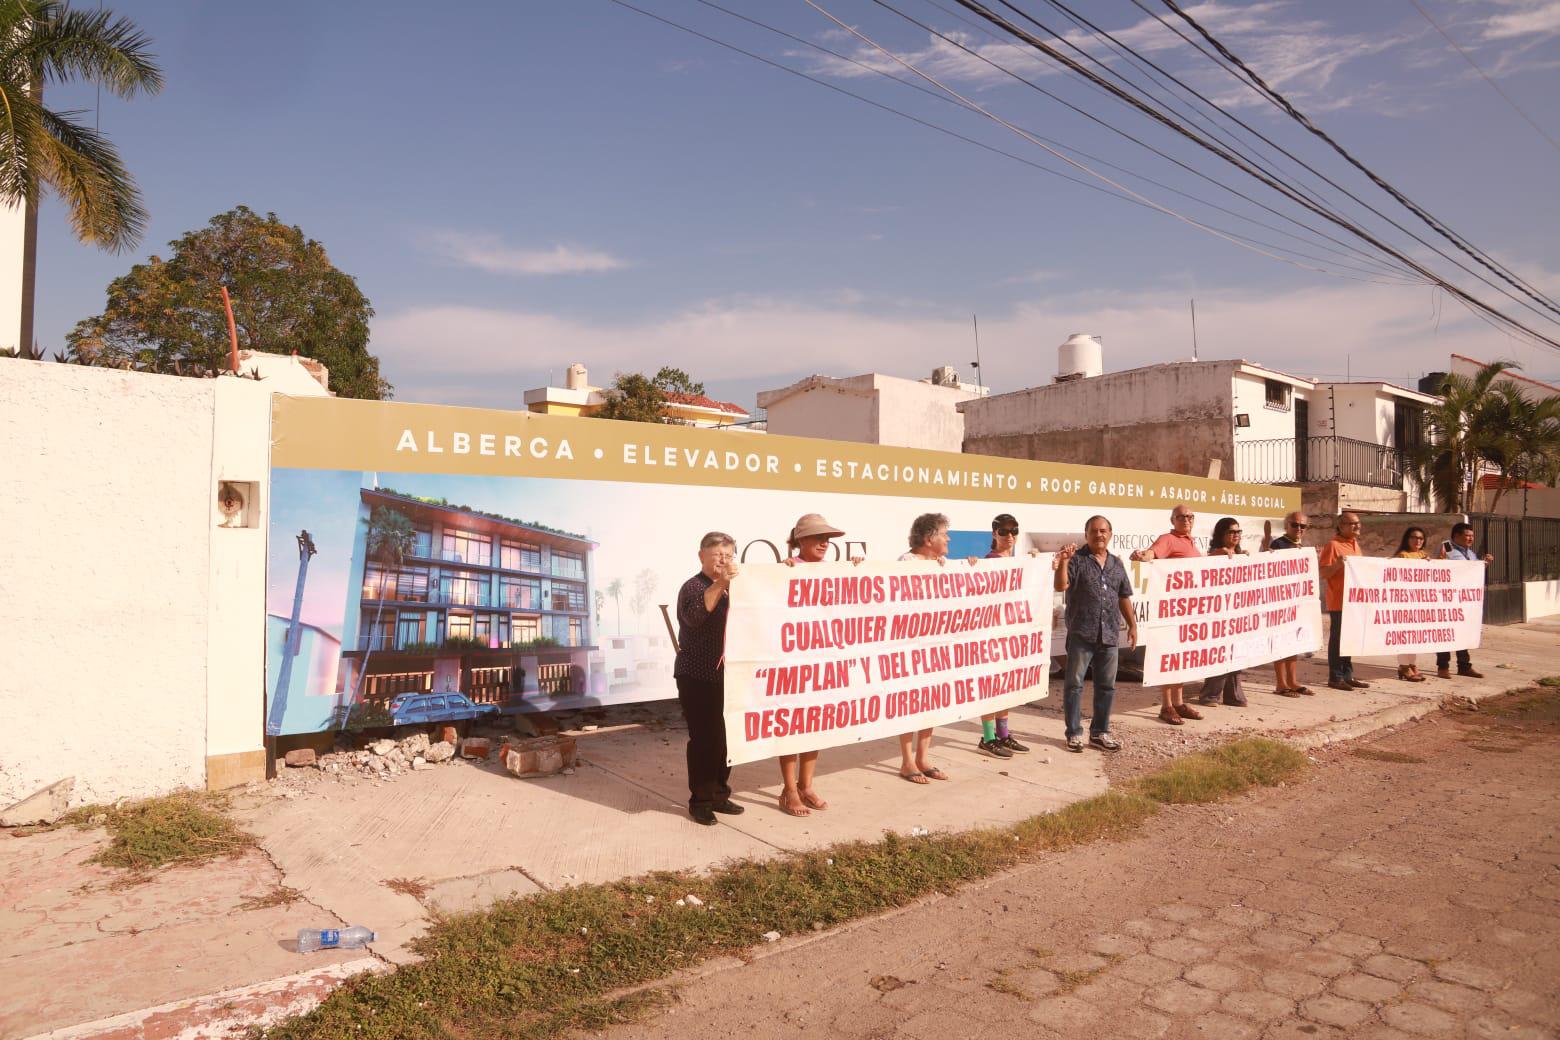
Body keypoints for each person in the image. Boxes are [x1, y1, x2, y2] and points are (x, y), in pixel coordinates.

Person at [776, 512, 858, 816]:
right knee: (792, 726)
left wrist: (857, 572)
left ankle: (806, 785)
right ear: (800, 540)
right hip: (793, 663)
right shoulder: (786, 570)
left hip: (822, 664)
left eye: (827, 538)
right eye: (818, 537)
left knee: (814, 725)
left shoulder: (833, 570)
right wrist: (780, 575)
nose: (824, 543)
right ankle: (788, 790)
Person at [673, 532, 746, 826]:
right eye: (716, 555)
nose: (723, 560)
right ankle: (700, 801)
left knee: (726, 741)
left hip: (729, 676)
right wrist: (722, 582)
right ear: (701, 556)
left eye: (728, 555)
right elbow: (695, 617)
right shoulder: (692, 587)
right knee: (705, 740)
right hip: (697, 676)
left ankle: (719, 794)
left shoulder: (737, 587)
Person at [895, 512, 968, 783]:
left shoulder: (943, 563)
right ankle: (907, 761)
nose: (948, 538)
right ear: (928, 538)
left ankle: (923, 757)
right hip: (911, 645)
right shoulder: (907, 563)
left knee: (930, 701)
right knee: (909, 704)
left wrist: (969, 568)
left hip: (936, 647)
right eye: (943, 533)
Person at [1055, 515, 1136, 753]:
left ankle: (1100, 733)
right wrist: (1063, 562)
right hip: (1082, 633)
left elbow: (1124, 596)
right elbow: (1061, 586)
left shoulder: (1116, 564)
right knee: (1074, 685)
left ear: (1110, 534)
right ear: (1086, 534)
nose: (1099, 535)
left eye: (1103, 531)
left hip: (1110, 634)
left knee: (1106, 687)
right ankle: (1074, 734)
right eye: (1094, 531)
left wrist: (1133, 625)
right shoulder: (1077, 560)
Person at [1131, 503, 1202, 725]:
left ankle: (1179, 703)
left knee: (1180, 659)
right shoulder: (1168, 539)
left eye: (1190, 516)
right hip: (1171, 611)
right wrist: (1144, 555)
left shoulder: (1191, 542)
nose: (1187, 520)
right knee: (1168, 657)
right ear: (1173, 520)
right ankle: (1166, 705)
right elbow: (1153, 553)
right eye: (1181, 517)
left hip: (1188, 611)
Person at [977, 513, 1031, 758]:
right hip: (991, 634)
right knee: (990, 686)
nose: (1010, 536)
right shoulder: (989, 561)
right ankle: (988, 737)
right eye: (1004, 532)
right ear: (994, 534)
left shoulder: (1020, 562)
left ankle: (1003, 734)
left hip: (1011, 633)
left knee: (1005, 686)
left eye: (1014, 531)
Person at [1196, 517, 1249, 707]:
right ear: (1221, 535)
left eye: (1238, 532)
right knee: (1219, 652)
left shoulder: (1241, 554)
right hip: (1219, 612)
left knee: (1237, 652)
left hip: (1238, 611)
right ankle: (1210, 695)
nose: (1235, 535)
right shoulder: (1216, 554)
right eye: (1231, 532)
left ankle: (1233, 694)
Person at [1318, 511, 1371, 692]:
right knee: (1338, 639)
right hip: (1339, 601)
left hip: (1354, 602)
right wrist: (1337, 564)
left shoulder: (1355, 545)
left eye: (1358, 523)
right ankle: (1335, 677)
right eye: (1352, 524)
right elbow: (1323, 573)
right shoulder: (1333, 545)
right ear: (1341, 526)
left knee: (1350, 639)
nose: (1357, 526)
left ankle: (1348, 676)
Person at [1261, 511, 1311, 697]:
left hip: (1296, 602)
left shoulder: (1302, 547)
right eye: (1294, 524)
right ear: (1286, 526)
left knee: (1294, 642)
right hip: (1280, 603)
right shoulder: (1278, 544)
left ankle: (1293, 680)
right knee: (1280, 642)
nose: (1298, 529)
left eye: (1302, 526)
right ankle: (1281, 684)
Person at [1436, 522, 1492, 679]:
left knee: (1462, 632)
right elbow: (1442, 564)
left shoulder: (1471, 553)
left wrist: (1484, 564)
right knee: (1445, 633)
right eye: (1467, 535)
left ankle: (1464, 666)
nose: (1470, 538)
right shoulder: (1447, 546)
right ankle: (1443, 666)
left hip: (1463, 601)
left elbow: (1471, 572)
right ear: (1456, 536)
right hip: (1447, 598)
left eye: (1472, 536)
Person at [1391, 527, 1431, 682]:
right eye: (1414, 537)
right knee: (1403, 636)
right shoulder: (1402, 555)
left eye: (1421, 538)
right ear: (1407, 539)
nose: (1418, 541)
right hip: (1404, 603)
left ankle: (1413, 664)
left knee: (1415, 637)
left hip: (1418, 603)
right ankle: (1403, 666)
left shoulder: (1424, 555)